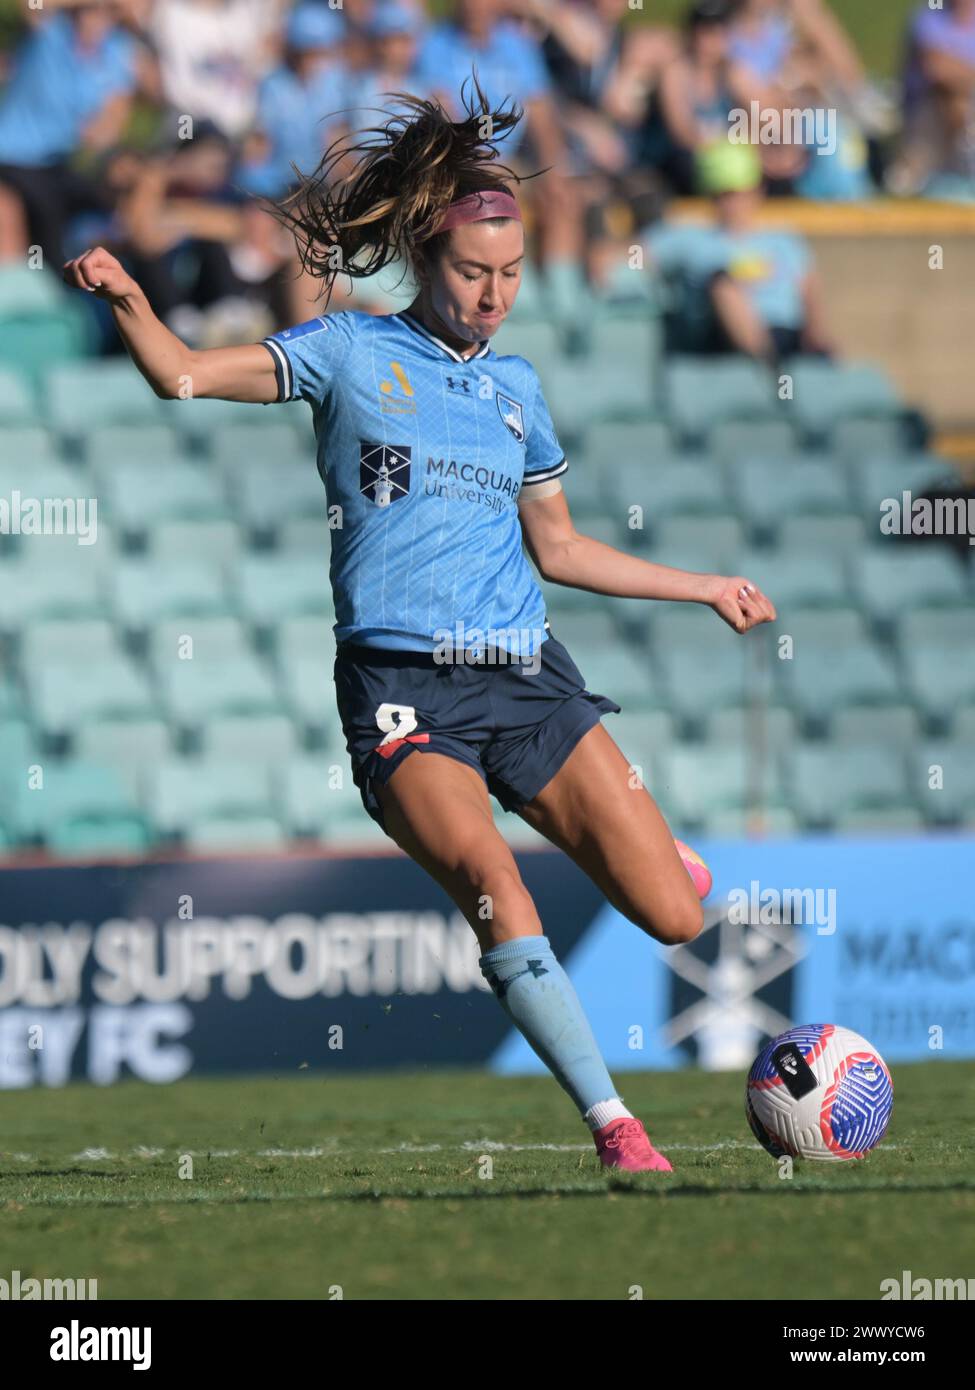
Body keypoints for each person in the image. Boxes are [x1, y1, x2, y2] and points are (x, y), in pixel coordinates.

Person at [62, 84, 776, 1173]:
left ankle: (652, 848)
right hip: (404, 692)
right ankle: (615, 1125)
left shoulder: (519, 391)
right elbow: (183, 374)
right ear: (423, 260)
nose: (492, 296)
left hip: (528, 677)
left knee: (678, 919)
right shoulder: (347, 349)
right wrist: (124, 297)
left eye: (510, 275)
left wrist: (705, 585)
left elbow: (564, 551)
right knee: (496, 880)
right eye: (471, 273)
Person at [646, 141, 834, 363]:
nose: (734, 203)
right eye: (725, 194)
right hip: (722, 344)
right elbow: (635, 255)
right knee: (724, 284)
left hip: (786, 335)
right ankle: (769, 368)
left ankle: (800, 368)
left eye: (740, 193)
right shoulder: (689, 238)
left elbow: (809, 289)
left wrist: (815, 335)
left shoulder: (784, 240)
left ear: (758, 190)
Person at [0, 0, 140, 268]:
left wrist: (103, 133)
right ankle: (53, 286)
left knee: (105, 206)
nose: (96, 19)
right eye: (90, 10)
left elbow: (114, 115)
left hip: (57, 161)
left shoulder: (114, 51)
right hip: (13, 155)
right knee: (48, 215)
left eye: (106, 12)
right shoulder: (51, 33)